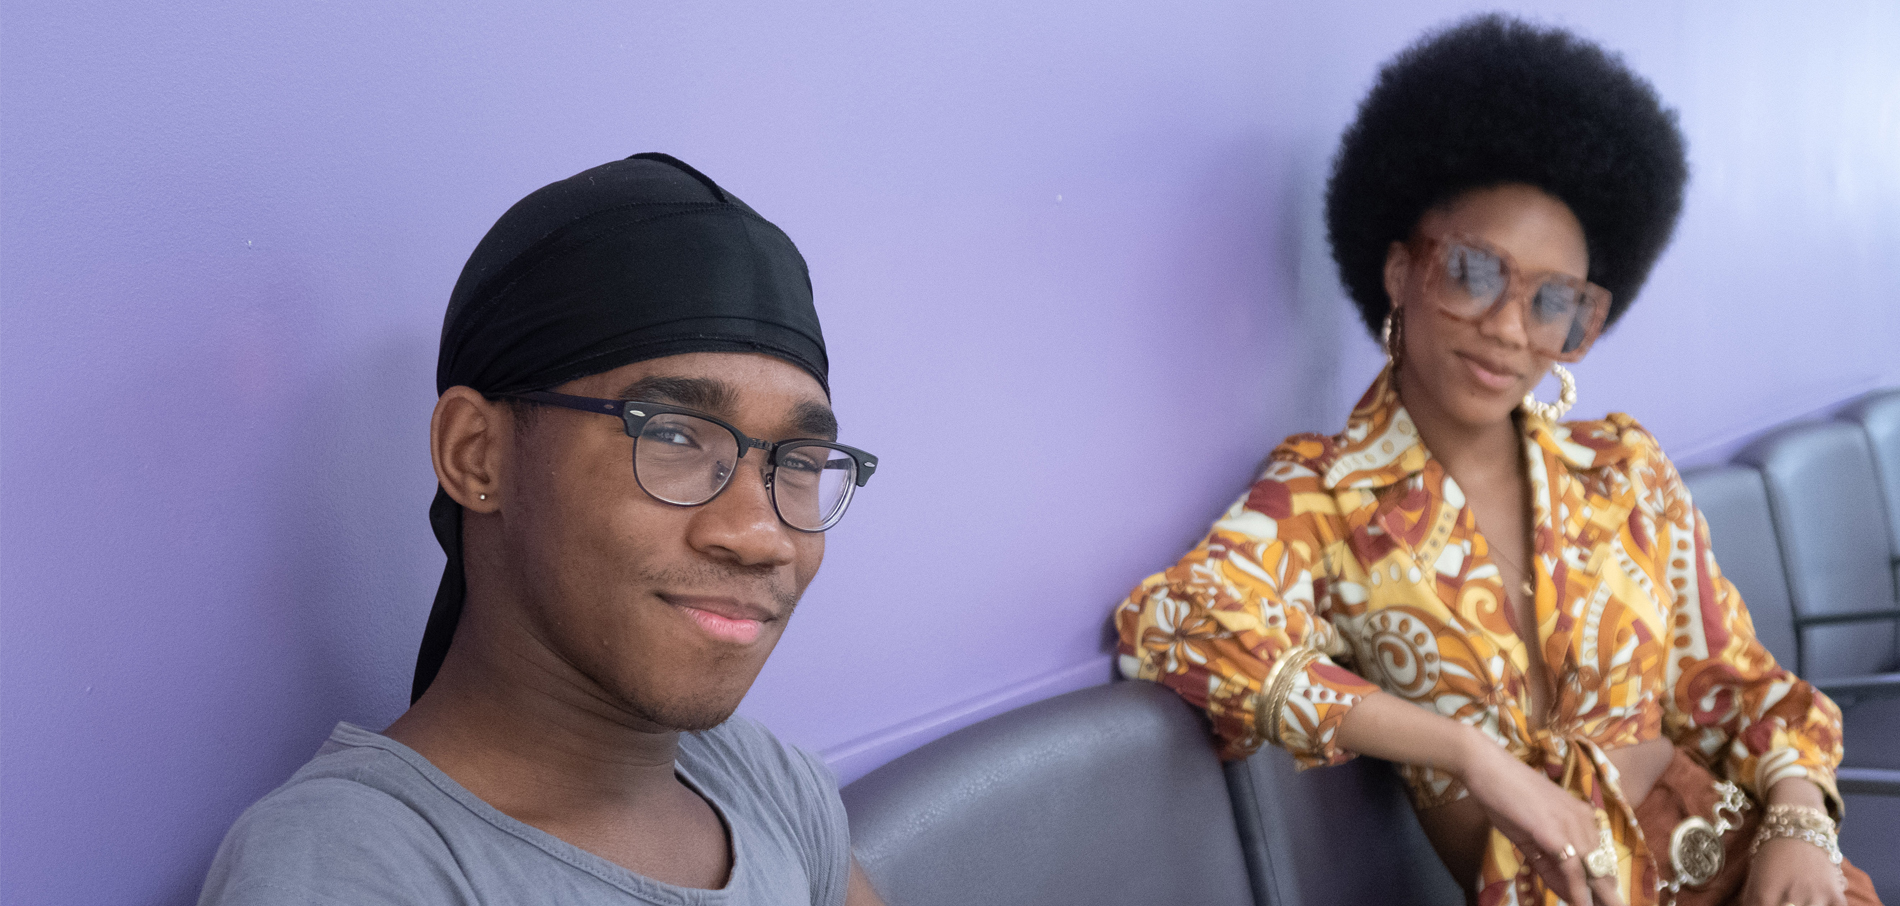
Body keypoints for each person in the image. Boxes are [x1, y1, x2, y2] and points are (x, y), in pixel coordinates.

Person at [1116, 16, 1879, 906]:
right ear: (1402, 273)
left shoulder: (1623, 469)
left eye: (1556, 301)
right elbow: (1177, 623)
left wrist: (1801, 825)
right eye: (1476, 273)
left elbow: (1741, 688)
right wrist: (1469, 756)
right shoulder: (1323, 498)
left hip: (1744, 866)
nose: (1511, 330)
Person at [199, 153, 886, 906]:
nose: (761, 535)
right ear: (477, 453)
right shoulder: (357, 870)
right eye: (676, 438)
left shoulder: (770, 788)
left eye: (800, 461)